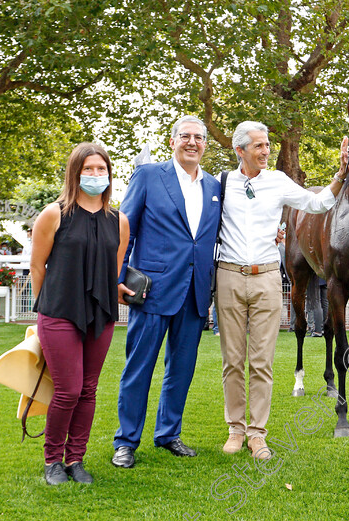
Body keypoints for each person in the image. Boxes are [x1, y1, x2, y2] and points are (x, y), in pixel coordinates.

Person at [216, 121, 346, 460]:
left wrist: (341, 174)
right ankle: (235, 429)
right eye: (258, 146)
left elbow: (317, 204)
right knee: (232, 360)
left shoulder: (277, 181)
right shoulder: (221, 182)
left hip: (267, 278)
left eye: (267, 145)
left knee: (261, 362)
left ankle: (257, 434)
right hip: (228, 276)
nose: (266, 151)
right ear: (239, 150)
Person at [111, 116, 223, 469]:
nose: (192, 142)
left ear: (205, 144)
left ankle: (168, 434)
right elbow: (123, 228)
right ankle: (126, 441)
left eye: (199, 137)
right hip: (152, 290)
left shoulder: (214, 187)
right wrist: (115, 276)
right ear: (172, 141)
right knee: (138, 368)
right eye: (185, 136)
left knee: (182, 370)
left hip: (194, 294)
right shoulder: (148, 176)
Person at [31, 143, 130, 485]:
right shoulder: (53, 214)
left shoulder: (119, 220)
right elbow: (37, 266)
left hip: (100, 315)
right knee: (68, 390)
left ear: (109, 175)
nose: (95, 175)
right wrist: (46, 309)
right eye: (88, 169)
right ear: (75, 173)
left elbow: (113, 271)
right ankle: (52, 461)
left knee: (88, 390)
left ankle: (75, 459)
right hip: (59, 312)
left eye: (101, 169)